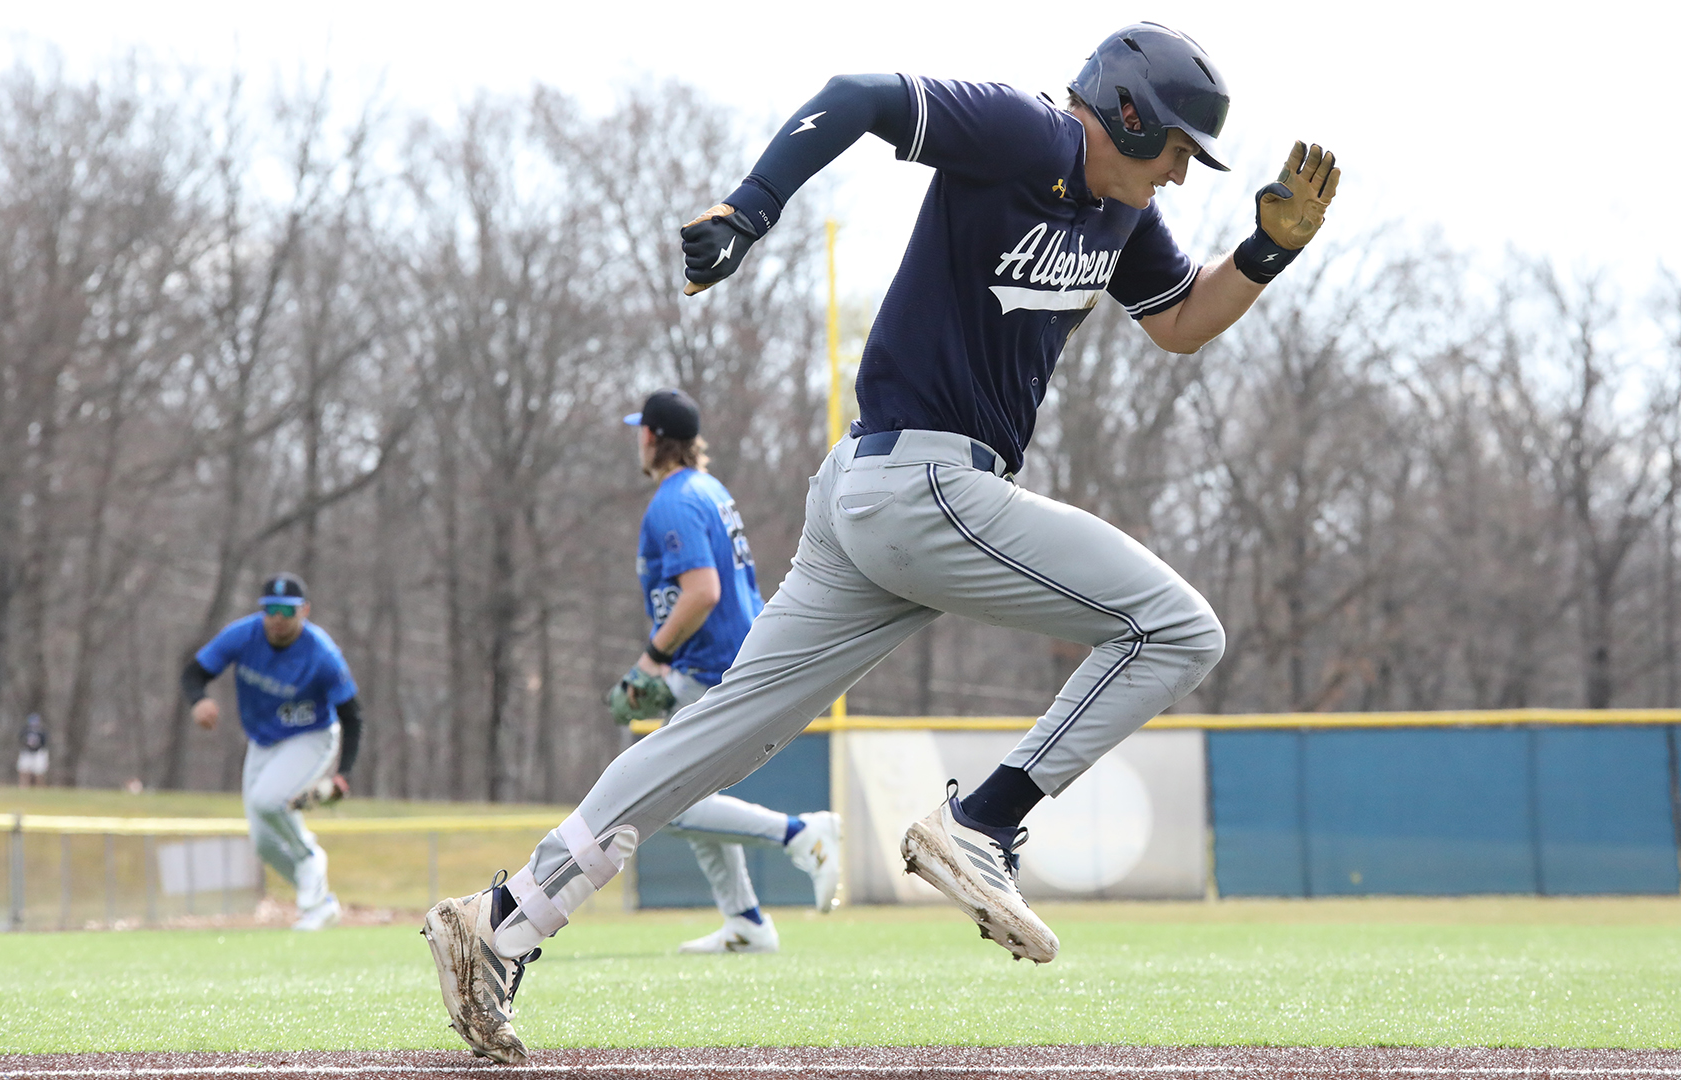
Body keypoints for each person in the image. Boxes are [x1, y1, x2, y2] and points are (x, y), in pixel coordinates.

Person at [425, 22, 1339, 1062]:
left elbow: (1178, 325)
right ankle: (982, 825)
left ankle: (505, 916)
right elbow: (858, 91)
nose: (1182, 172)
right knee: (1177, 629)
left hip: (885, 501)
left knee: (724, 733)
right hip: (919, 487)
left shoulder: (1119, 215)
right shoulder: (1030, 135)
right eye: (1174, 145)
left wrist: (1269, 252)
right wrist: (748, 209)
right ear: (1125, 113)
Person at [606, 388, 842, 953]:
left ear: (653, 437)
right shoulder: (708, 488)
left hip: (712, 663)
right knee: (691, 787)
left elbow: (702, 592)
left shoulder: (675, 499)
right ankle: (745, 920)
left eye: (641, 429)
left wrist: (653, 659)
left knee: (666, 796)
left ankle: (799, 834)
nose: (636, 438)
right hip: (727, 655)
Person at [181, 573, 364, 931]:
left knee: (268, 801)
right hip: (263, 742)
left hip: (312, 736)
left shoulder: (322, 653)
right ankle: (320, 902)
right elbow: (193, 673)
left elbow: (353, 716)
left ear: (304, 611)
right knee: (264, 844)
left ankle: (311, 863)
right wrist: (198, 700)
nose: (277, 617)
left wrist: (345, 773)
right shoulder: (243, 634)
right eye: (270, 609)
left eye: (286, 610)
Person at [15, 713, 48, 787]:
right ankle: (23, 787)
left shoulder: (42, 731)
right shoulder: (25, 731)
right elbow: (20, 740)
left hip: (38, 752)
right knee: (24, 771)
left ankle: (39, 788)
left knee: (39, 772)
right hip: (26, 752)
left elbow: (44, 743)